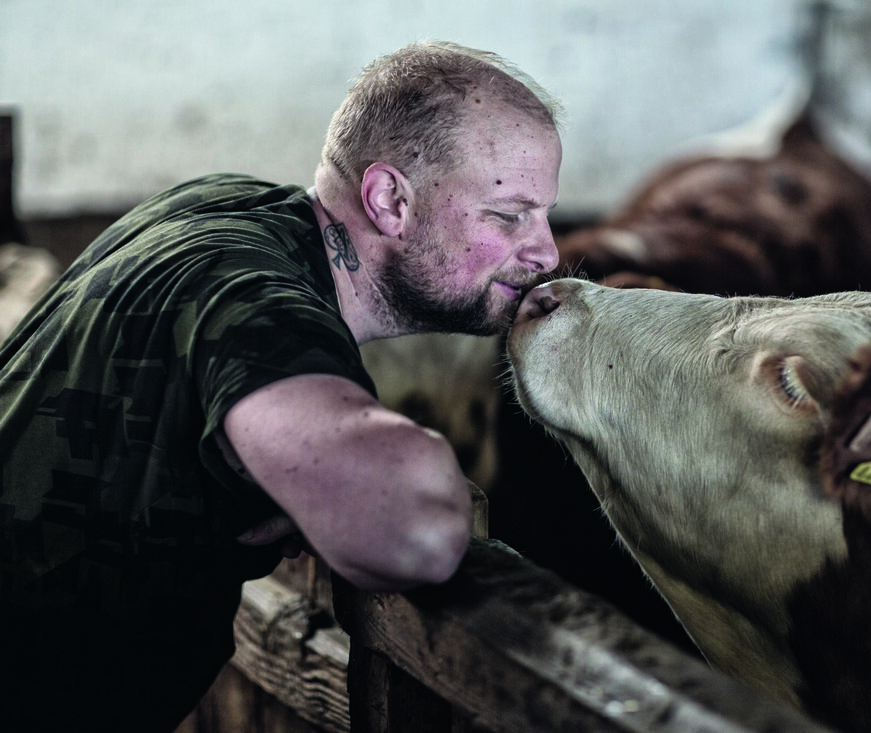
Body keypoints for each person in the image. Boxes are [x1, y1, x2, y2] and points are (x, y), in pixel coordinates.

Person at [0, 40, 563, 731]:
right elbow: (413, 530)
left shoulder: (224, 206)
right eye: (509, 216)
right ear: (389, 198)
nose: (547, 251)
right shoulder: (262, 309)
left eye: (544, 216)